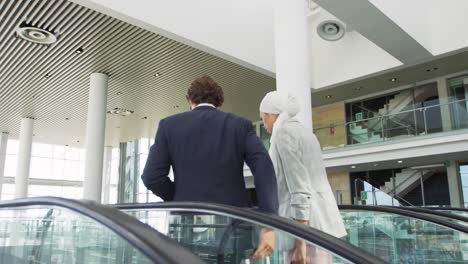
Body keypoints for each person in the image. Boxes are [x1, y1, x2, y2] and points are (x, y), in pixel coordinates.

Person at [142, 76, 278, 261]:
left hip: (186, 228)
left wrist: (180, 196)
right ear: (219, 100)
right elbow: (264, 168)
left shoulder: (169, 126)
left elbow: (151, 176)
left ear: (190, 100)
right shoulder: (239, 125)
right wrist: (268, 223)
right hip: (233, 230)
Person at [259, 91, 347, 264]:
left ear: (272, 115)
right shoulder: (305, 133)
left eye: (263, 119)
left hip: (303, 232)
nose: (264, 125)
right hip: (318, 228)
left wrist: (301, 244)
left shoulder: (283, 133)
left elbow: (299, 189)